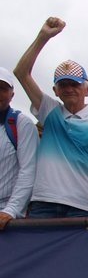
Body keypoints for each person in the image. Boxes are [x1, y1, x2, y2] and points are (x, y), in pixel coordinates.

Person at [13, 17, 88, 217]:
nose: (69, 89)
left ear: (87, 89)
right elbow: (21, 73)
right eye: (63, 85)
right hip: (43, 203)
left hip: (82, 207)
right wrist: (43, 36)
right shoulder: (50, 111)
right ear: (55, 90)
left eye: (75, 84)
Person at [0, 66, 38, 229]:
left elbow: (29, 169)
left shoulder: (21, 123)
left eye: (2, 89)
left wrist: (11, 210)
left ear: (12, 94)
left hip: (6, 217)